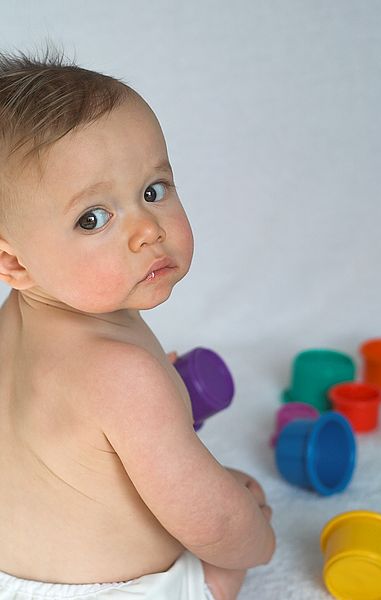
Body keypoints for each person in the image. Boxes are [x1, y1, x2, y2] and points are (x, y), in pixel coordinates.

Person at [0, 46, 275, 600]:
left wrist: (153, 396)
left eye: (153, 190)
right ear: (15, 262)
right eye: (93, 218)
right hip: (117, 591)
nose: (147, 228)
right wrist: (257, 538)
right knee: (236, 516)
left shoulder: (19, 319)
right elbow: (214, 524)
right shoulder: (123, 375)